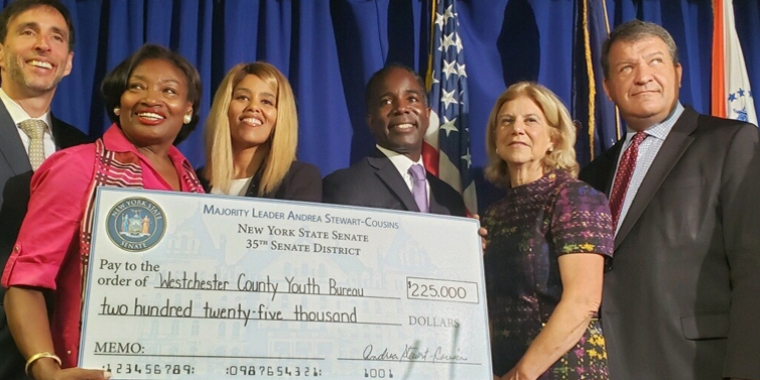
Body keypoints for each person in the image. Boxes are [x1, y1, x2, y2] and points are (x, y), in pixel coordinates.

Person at [2, 44, 204, 380]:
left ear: (187, 109)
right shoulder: (78, 167)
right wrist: (45, 367)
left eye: (168, 90)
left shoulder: (193, 181)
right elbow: (25, 280)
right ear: (117, 101)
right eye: (136, 86)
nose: (150, 98)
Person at [579, 20, 760, 380]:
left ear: (678, 73)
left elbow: (753, 264)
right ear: (608, 88)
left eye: (655, 61)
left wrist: (746, 370)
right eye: (626, 68)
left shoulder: (731, 143)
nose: (643, 76)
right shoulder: (592, 175)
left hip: (698, 364)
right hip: (607, 366)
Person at [483, 82, 613, 380]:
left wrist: (522, 374)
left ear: (553, 139)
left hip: (565, 370)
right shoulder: (492, 217)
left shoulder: (575, 197)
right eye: (507, 121)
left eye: (530, 120)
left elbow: (583, 300)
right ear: (496, 138)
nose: (517, 128)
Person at [0, 0, 91, 378]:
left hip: (63, 357)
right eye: (28, 32)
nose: (43, 45)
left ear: (68, 62)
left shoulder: (85, 149)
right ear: (0, 52)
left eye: (56, 37)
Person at [323, 63, 465, 216]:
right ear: (371, 121)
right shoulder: (346, 186)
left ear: (427, 115)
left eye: (411, 99)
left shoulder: (450, 199)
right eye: (387, 102)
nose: (401, 108)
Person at [200, 62, 321, 201]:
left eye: (266, 102)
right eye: (242, 98)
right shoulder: (195, 180)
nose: (253, 107)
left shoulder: (300, 179)